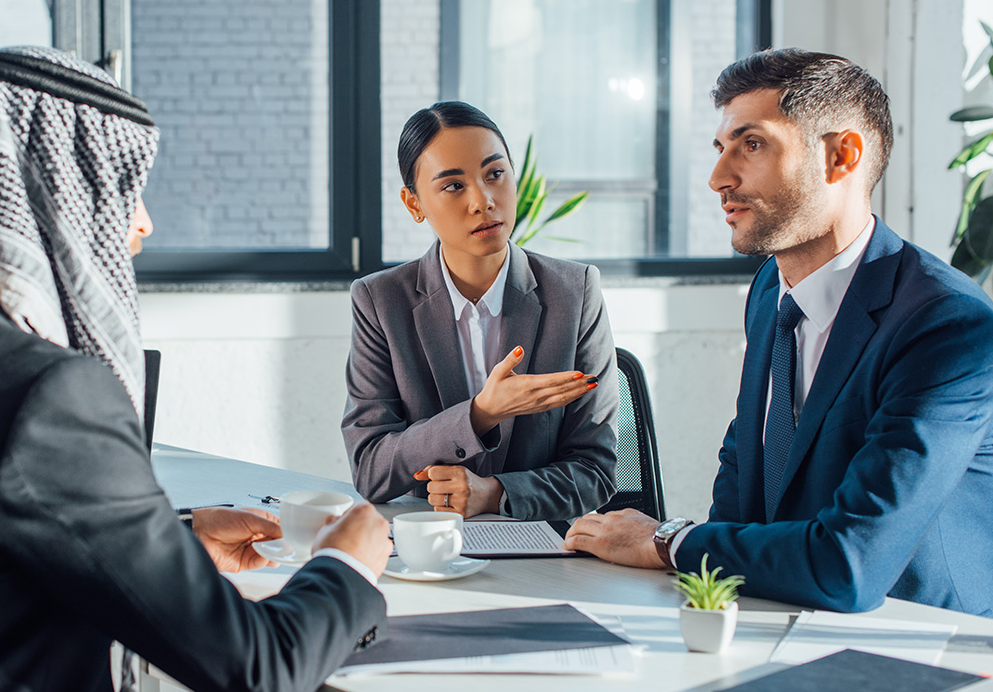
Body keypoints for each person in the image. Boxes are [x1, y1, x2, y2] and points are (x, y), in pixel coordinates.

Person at [0, 46, 392, 692]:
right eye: (124, 190)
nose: (142, 224)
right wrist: (346, 564)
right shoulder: (43, 392)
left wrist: (176, 543)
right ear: (60, 196)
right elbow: (259, 672)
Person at [564, 49, 993, 616]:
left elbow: (850, 563)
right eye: (721, 148)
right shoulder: (771, 288)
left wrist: (667, 542)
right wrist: (702, 600)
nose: (719, 178)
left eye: (753, 144)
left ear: (841, 156)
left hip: (915, 645)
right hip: (778, 613)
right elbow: (748, 457)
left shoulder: (947, 324)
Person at [342, 101, 618, 522]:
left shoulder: (574, 292)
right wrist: (480, 413)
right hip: (427, 545)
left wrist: (494, 493)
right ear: (414, 204)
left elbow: (595, 472)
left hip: (542, 549)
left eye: (495, 174)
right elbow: (371, 468)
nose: (484, 201)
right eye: (453, 186)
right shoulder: (381, 302)